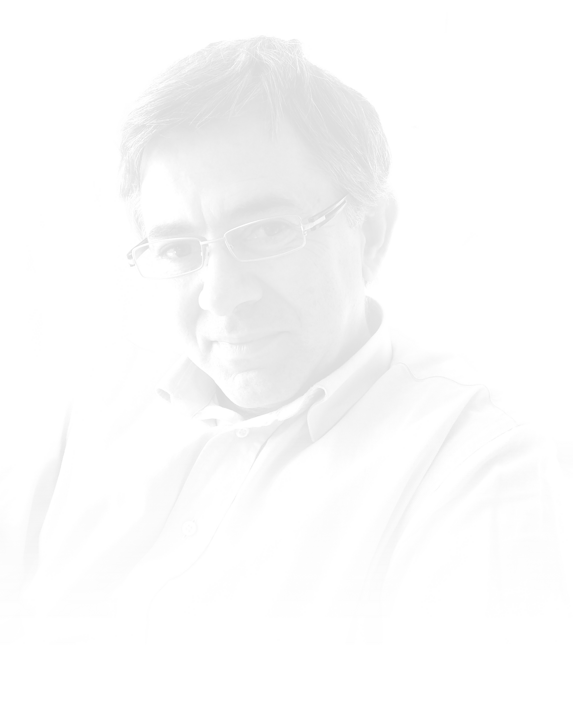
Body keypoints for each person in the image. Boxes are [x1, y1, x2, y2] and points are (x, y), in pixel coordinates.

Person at [1, 36, 570, 645]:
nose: (221, 297)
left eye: (268, 230)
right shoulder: (92, 394)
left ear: (372, 232)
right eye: (179, 249)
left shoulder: (478, 461)